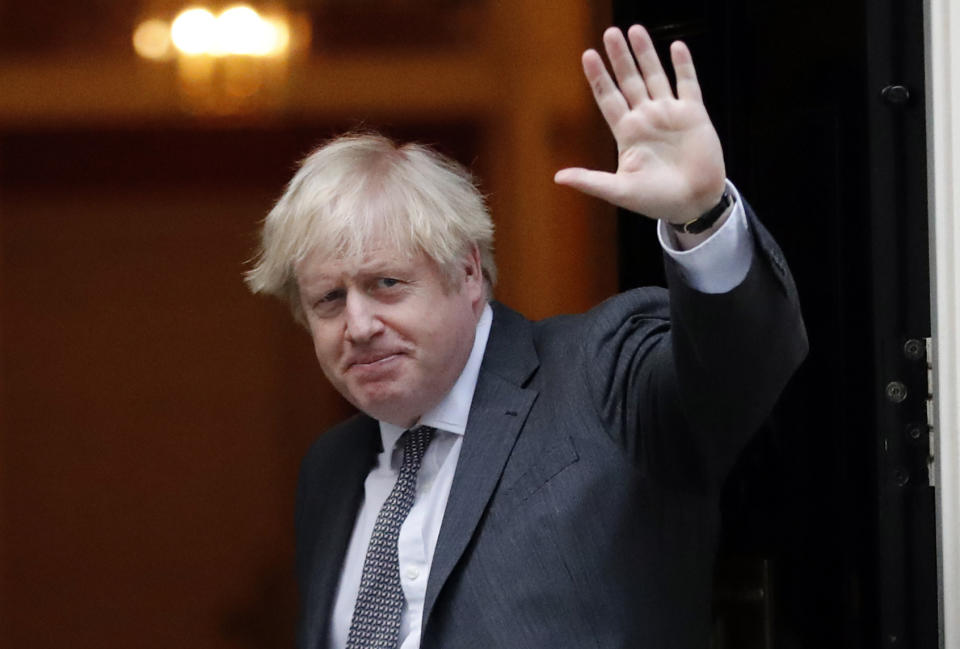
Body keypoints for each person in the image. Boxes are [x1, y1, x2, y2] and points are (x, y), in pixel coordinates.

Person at [245, 24, 807, 649]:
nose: (358, 325)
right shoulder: (331, 470)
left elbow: (740, 371)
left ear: (468, 274)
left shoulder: (599, 376)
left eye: (386, 284)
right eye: (329, 299)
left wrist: (700, 218)